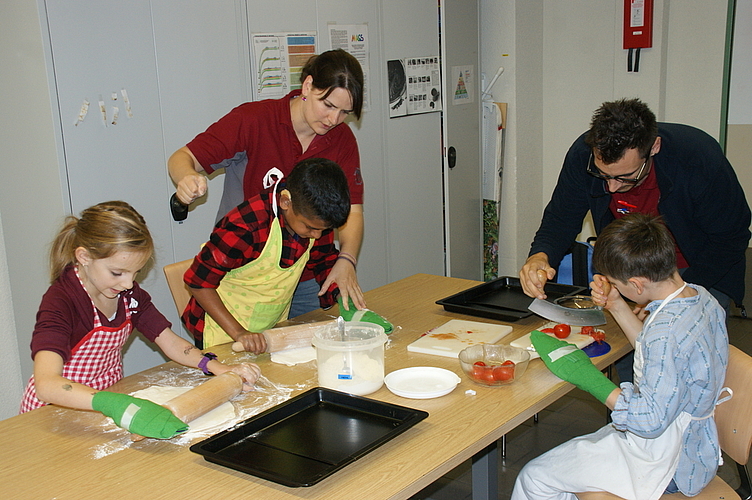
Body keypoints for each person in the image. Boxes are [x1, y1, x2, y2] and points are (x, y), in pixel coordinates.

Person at [512, 213, 729, 500]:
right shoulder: (700, 298)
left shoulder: (666, 333)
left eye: (617, 284)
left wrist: (592, 381)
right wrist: (616, 304)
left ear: (637, 285)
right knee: (569, 468)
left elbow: (649, 422)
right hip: (696, 449)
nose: (615, 288)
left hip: (671, 463)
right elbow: (661, 360)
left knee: (535, 478)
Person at [20, 201, 261, 440]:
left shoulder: (128, 294)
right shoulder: (62, 301)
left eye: (135, 273)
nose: (127, 284)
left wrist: (218, 368)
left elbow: (170, 342)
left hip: (107, 401)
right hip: (56, 413)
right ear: (83, 257)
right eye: (117, 273)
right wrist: (110, 403)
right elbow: (47, 383)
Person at [168, 48, 366, 317]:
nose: (334, 120)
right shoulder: (254, 120)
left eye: (345, 112)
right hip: (245, 274)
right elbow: (182, 157)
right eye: (328, 105)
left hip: (303, 273)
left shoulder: (341, 140)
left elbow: (353, 210)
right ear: (307, 85)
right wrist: (186, 177)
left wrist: (346, 259)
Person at [519, 98, 750, 315]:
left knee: (684, 347)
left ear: (654, 148)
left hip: (702, 268)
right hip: (630, 272)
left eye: (625, 177)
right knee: (620, 346)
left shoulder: (697, 159)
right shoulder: (584, 155)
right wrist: (540, 256)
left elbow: (730, 239)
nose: (610, 187)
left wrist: (670, 296)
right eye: (602, 174)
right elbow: (561, 218)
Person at [182, 158, 351, 353]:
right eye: (311, 228)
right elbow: (197, 281)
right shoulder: (246, 227)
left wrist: (341, 295)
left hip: (271, 328)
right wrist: (239, 333)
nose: (317, 235)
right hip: (224, 331)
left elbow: (323, 260)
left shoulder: (314, 218)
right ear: (286, 201)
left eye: (324, 230)